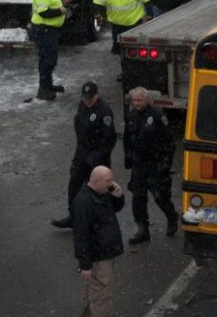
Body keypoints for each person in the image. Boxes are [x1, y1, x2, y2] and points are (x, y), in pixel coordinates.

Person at [53, 81, 117, 229]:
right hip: (82, 153)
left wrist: (97, 158)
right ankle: (74, 217)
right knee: (74, 186)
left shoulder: (104, 111)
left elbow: (109, 139)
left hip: (97, 158)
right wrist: (78, 156)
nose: (87, 101)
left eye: (90, 98)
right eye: (85, 98)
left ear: (97, 96)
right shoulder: (82, 106)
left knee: (98, 191)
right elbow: (81, 133)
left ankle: (100, 220)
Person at [123, 87, 178, 244]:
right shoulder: (132, 115)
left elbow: (169, 143)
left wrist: (166, 164)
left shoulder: (157, 115)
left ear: (146, 100)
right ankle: (142, 229)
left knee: (161, 197)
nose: (136, 103)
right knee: (138, 198)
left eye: (139, 100)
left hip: (156, 163)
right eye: (134, 101)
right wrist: (128, 157)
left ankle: (172, 217)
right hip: (139, 164)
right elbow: (127, 137)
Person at [71, 165, 125, 317]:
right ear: (96, 181)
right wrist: (85, 264)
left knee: (93, 291)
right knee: (102, 295)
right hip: (100, 256)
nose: (112, 183)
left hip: (105, 252)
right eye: (108, 180)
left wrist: (118, 196)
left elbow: (115, 208)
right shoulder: (83, 203)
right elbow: (81, 235)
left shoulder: (102, 192)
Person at [32, 0, 70, 101]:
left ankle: (48, 85)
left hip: (50, 30)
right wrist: (60, 11)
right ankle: (43, 89)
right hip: (44, 31)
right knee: (47, 60)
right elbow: (43, 12)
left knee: (50, 59)